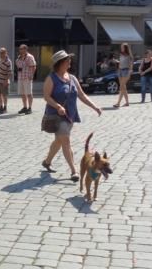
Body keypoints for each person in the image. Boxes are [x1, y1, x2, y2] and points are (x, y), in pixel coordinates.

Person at [42, 51, 102, 181]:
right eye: (67, 60)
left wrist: (94, 106)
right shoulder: (51, 78)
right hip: (56, 115)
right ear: (59, 63)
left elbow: (81, 95)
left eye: (69, 60)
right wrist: (58, 106)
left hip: (70, 115)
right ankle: (74, 171)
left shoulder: (72, 78)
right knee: (65, 140)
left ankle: (47, 162)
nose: (70, 62)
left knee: (59, 141)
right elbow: (46, 96)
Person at [16, 44, 36, 114]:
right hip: (20, 77)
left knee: (29, 93)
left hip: (27, 77)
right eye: (20, 49)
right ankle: (25, 107)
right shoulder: (19, 57)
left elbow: (34, 66)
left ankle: (29, 108)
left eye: (22, 49)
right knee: (22, 93)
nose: (20, 50)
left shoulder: (30, 57)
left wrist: (32, 75)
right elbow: (18, 67)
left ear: (25, 49)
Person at [0, 47, 12, 114]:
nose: (1, 54)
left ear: (6, 53)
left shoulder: (8, 61)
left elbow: (10, 72)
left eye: (3, 52)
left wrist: (6, 80)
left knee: (4, 95)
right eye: (0, 53)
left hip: (4, 81)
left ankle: (5, 108)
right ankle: (1, 107)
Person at [113, 43, 133, 108]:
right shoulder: (121, 55)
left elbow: (131, 65)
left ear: (125, 48)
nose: (121, 48)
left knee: (121, 87)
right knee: (123, 87)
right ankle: (127, 102)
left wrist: (129, 73)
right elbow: (121, 63)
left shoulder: (129, 56)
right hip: (120, 71)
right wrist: (117, 62)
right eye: (121, 47)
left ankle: (118, 103)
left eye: (122, 47)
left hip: (126, 71)